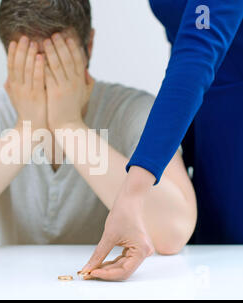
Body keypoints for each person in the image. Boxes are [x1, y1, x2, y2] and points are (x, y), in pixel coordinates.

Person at [0, 0, 196, 259]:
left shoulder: (134, 111)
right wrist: (27, 130)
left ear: (88, 47)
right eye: (30, 61)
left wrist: (69, 127)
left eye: (58, 58)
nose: (44, 75)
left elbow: (172, 232)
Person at [81, 0, 243, 281]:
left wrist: (131, 196)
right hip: (197, 103)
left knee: (227, 259)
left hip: (226, 107)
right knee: (201, 262)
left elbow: (196, 55)